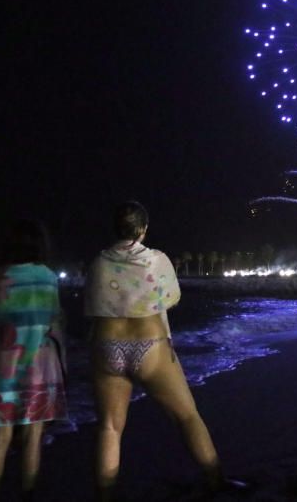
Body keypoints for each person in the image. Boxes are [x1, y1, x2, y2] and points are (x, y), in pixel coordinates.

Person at [86, 201, 235, 500]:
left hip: (107, 347)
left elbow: (92, 309)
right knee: (187, 416)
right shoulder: (156, 259)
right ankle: (216, 481)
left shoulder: (98, 262)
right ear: (143, 229)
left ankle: (104, 496)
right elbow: (170, 298)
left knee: (110, 428)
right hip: (150, 345)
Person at [0, 220, 68, 500]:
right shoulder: (49, 277)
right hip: (40, 365)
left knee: (1, 441)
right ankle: (28, 494)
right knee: (32, 439)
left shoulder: (2, 275)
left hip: (5, 365)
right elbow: (55, 322)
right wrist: (64, 365)